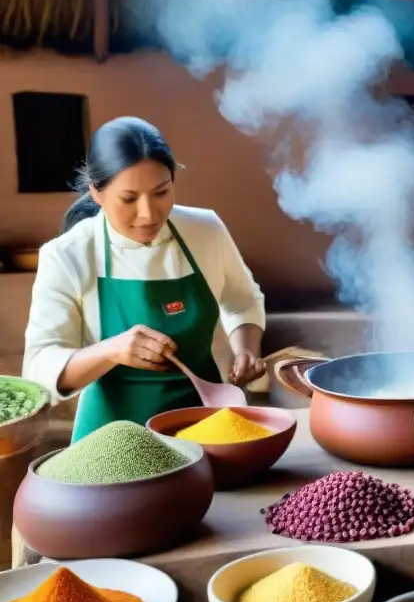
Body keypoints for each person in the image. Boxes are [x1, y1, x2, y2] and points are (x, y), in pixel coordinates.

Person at [23, 116, 267, 443]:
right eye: (129, 199)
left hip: (204, 428)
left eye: (161, 192)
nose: (149, 214)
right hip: (110, 440)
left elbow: (242, 300)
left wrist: (245, 349)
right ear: (97, 192)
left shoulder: (205, 230)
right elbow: (39, 367)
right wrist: (112, 351)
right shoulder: (68, 254)